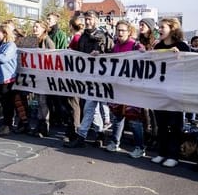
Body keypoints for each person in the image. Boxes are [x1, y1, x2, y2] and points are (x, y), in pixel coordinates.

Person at [64, 10, 112, 148]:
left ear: (96, 20)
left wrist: (100, 54)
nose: (87, 21)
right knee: (92, 108)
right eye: (86, 19)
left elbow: (111, 55)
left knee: (90, 107)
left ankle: (81, 136)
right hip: (86, 76)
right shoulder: (83, 37)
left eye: (90, 18)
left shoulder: (103, 36)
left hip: (100, 77)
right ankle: (100, 134)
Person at [103, 20, 147, 158]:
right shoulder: (115, 46)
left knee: (134, 120)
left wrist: (143, 54)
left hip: (132, 88)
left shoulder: (136, 46)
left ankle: (140, 147)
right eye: (118, 30)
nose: (120, 33)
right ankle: (115, 142)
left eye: (123, 30)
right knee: (117, 116)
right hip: (118, 87)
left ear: (129, 32)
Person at [151, 18, 190, 168]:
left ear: (172, 29)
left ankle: (174, 155)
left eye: (162, 27)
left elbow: (189, 66)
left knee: (174, 124)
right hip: (160, 91)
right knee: (161, 124)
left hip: (176, 91)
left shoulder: (182, 46)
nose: (159, 29)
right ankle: (162, 153)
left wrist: (180, 57)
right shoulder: (158, 46)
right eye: (159, 27)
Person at [29, 20, 55, 137]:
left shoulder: (48, 41)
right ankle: (39, 125)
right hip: (37, 75)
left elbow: (54, 58)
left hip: (45, 76)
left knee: (43, 102)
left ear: (44, 29)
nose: (34, 29)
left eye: (37, 27)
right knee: (38, 101)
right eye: (34, 27)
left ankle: (44, 127)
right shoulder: (35, 41)